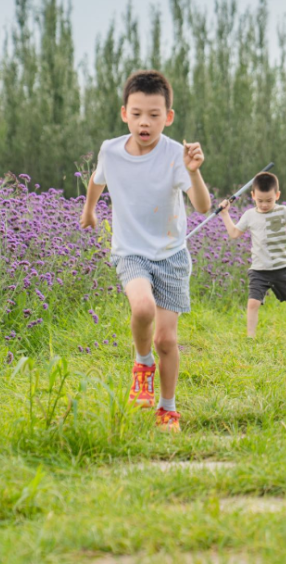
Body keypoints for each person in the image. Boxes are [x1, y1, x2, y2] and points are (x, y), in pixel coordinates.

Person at [79, 70, 210, 433]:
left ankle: (167, 409)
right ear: (124, 114)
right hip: (130, 251)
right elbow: (97, 178)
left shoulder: (174, 155)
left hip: (171, 255)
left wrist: (194, 172)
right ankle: (142, 363)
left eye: (154, 115)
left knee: (167, 339)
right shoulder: (111, 150)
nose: (144, 122)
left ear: (168, 117)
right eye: (137, 114)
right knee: (142, 307)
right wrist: (89, 210)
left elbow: (201, 206)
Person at [218, 172, 286, 338]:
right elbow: (234, 233)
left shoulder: (283, 211)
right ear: (253, 195)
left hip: (281, 267)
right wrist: (225, 214)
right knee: (253, 302)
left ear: (277, 195)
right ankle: (250, 337)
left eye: (269, 200)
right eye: (260, 201)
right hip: (259, 269)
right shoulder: (249, 215)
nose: (265, 205)